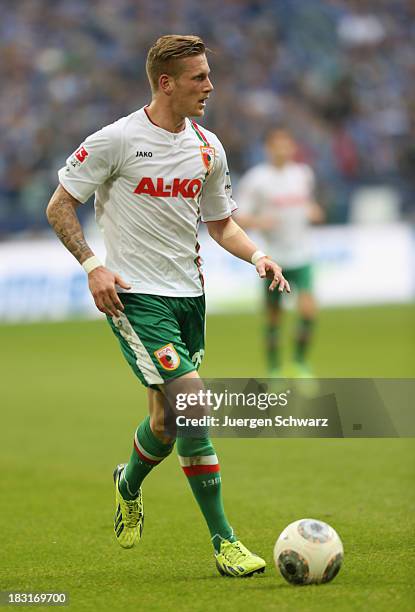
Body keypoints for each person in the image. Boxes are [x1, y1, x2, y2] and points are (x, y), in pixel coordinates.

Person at [46, 35, 290, 577]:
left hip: (189, 298)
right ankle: (225, 543)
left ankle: (127, 482)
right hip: (135, 298)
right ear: (166, 83)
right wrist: (93, 266)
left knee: (164, 422)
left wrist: (258, 255)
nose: (210, 86)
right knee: (192, 405)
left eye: (208, 75)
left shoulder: (208, 146)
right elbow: (60, 205)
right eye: (199, 77)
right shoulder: (115, 140)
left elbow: (221, 222)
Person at [236, 127, 324, 378]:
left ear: (293, 147)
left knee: (308, 310)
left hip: (302, 255)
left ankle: (299, 362)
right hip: (273, 258)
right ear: (268, 148)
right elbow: (238, 218)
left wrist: (314, 210)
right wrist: (259, 222)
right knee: (274, 317)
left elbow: (308, 203)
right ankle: (274, 368)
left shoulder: (303, 174)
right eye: (277, 145)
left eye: (286, 144)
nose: (282, 149)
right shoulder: (256, 179)